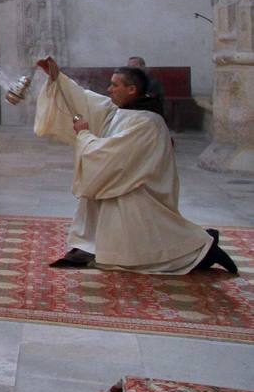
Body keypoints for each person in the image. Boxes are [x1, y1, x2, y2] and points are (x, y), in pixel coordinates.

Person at [34, 57, 238, 274]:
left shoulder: (147, 122)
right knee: (109, 203)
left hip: (138, 190)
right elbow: (84, 99)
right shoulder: (121, 110)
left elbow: (109, 156)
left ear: (132, 89)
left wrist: (84, 133)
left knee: (146, 249)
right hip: (124, 181)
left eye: (115, 85)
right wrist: (57, 77)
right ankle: (94, 248)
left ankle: (202, 250)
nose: (108, 89)